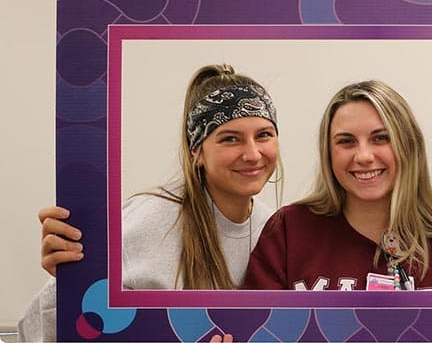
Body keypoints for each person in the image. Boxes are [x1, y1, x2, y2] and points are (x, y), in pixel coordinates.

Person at [18, 64, 280, 341]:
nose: (253, 154)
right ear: (197, 151)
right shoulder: (144, 224)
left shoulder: (276, 231)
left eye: (264, 134)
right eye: (230, 139)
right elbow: (38, 332)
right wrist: (69, 282)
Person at [243, 80, 432, 291]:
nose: (364, 156)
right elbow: (255, 323)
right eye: (346, 141)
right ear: (328, 153)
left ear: (408, 147)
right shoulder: (288, 231)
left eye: (381, 138)